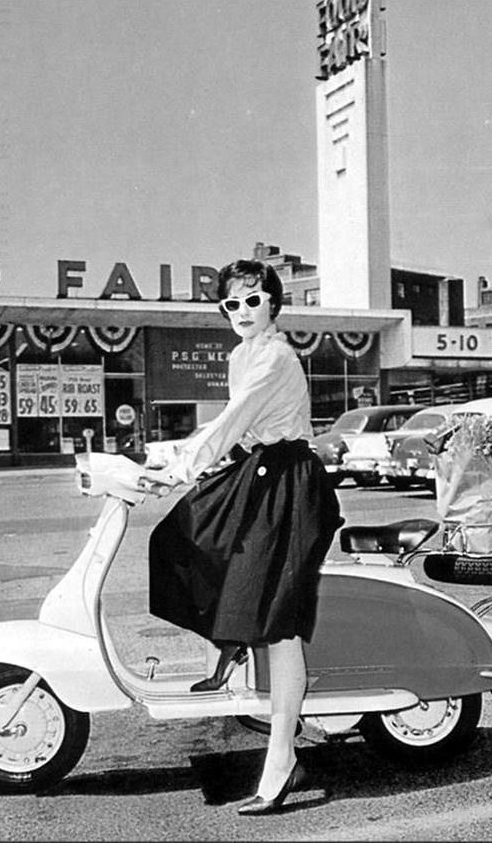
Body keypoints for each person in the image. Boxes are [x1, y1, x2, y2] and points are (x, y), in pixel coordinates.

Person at [140, 258, 343, 815]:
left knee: (281, 625)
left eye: (253, 300)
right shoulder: (239, 354)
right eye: (232, 304)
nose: (243, 311)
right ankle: (231, 636)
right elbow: (234, 430)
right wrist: (177, 463)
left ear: (273, 303)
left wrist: (184, 465)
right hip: (257, 473)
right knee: (180, 536)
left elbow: (234, 417)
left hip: (290, 485)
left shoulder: (276, 356)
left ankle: (281, 760)